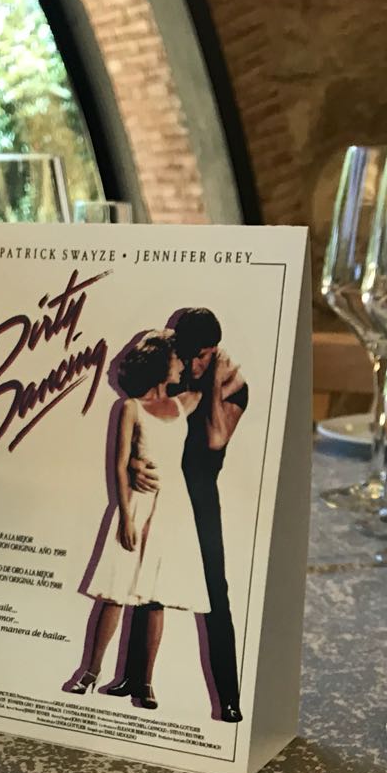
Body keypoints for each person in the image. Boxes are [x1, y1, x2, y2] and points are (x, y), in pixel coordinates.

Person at [107, 307, 247, 721]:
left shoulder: (233, 386)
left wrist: (215, 382)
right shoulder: (174, 371)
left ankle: (229, 699)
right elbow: (137, 408)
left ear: (215, 351)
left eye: (202, 356)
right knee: (143, 582)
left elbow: (216, 438)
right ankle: (134, 679)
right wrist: (134, 462)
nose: (193, 363)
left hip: (199, 497)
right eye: (188, 354)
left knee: (215, 593)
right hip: (159, 491)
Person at [63, 331, 208, 710]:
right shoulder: (130, 407)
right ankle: (90, 672)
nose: (181, 367)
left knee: (156, 599)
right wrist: (126, 517)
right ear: (160, 365)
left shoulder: (184, 403)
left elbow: (210, 372)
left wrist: (181, 343)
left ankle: (145, 683)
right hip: (137, 506)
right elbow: (118, 464)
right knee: (115, 593)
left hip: (173, 509)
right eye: (175, 360)